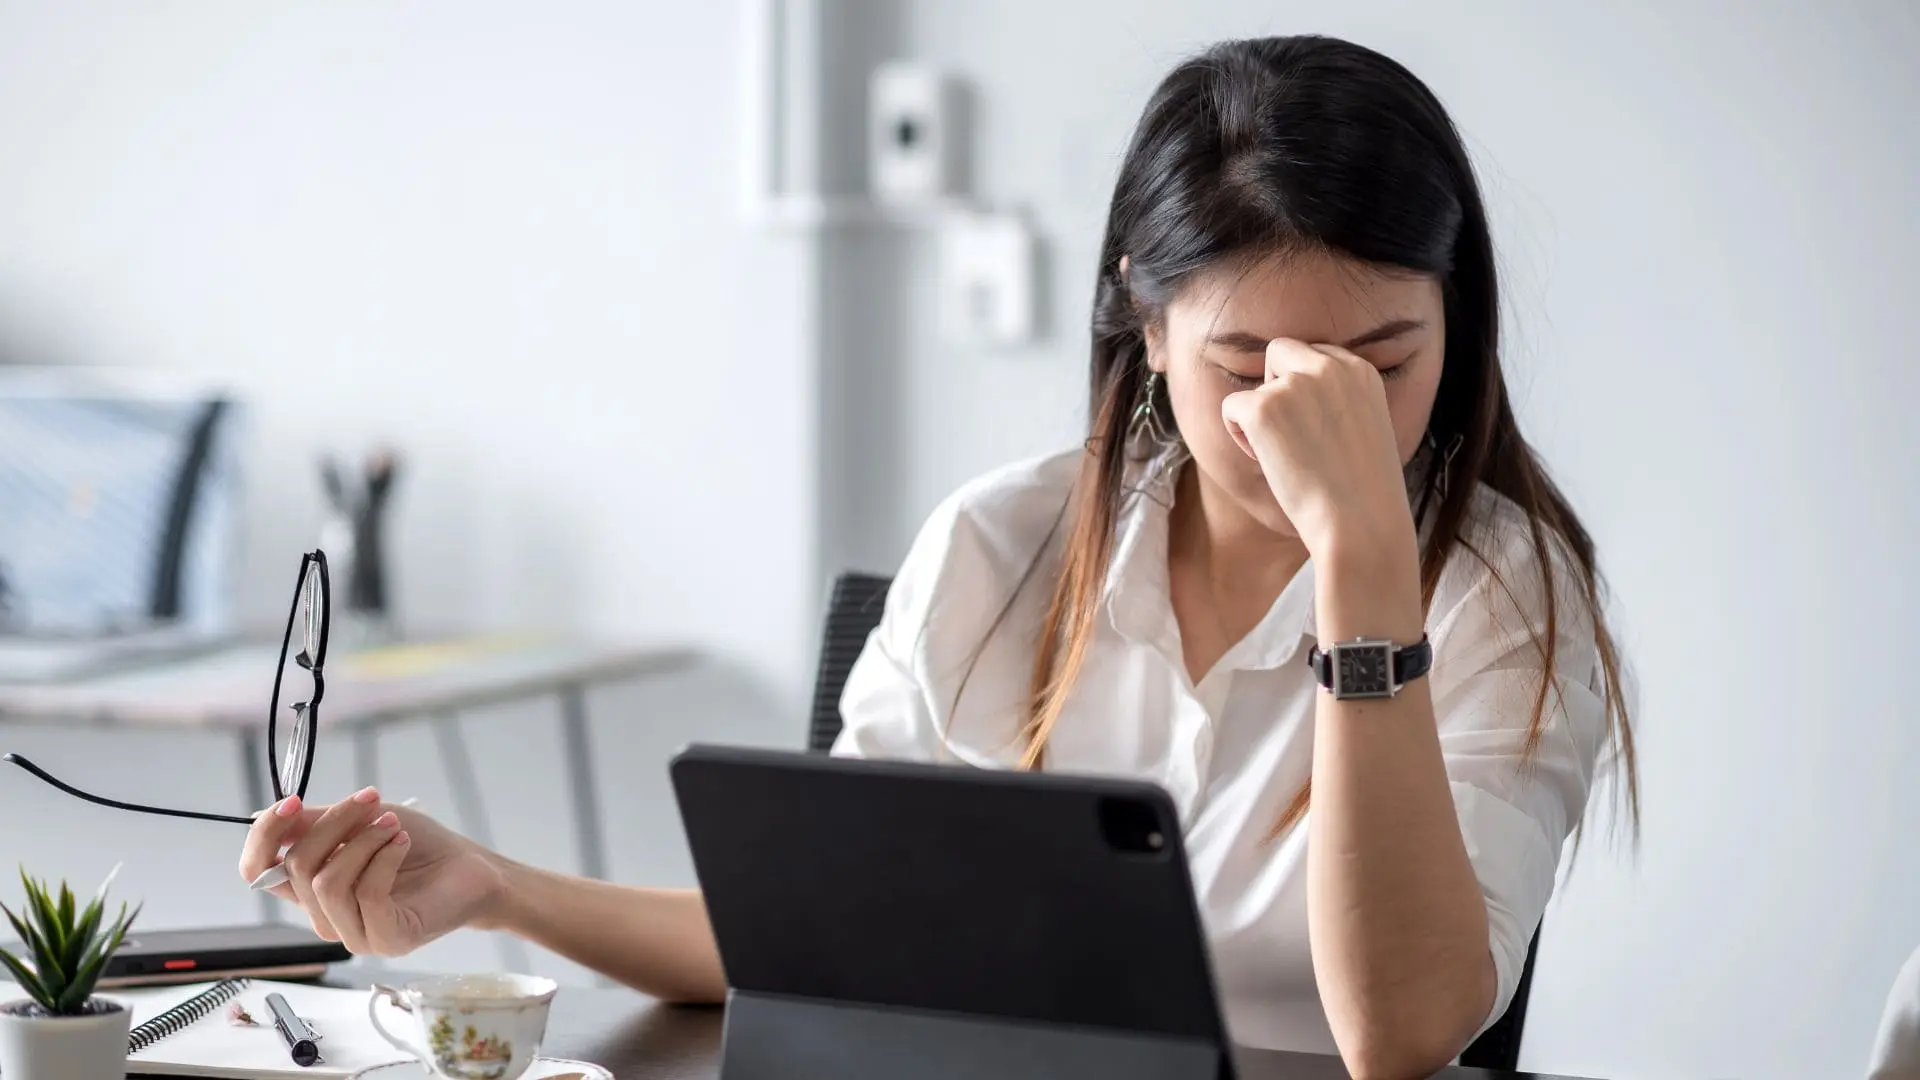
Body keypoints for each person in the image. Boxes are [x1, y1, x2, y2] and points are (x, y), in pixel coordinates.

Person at [239, 34, 1637, 1079]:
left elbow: (1401, 1035)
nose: (1306, 421)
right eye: (1249, 369)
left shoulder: (1510, 598)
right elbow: (818, 938)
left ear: (1457, 335)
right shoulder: (1001, 543)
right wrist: (493, 886)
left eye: (1378, 364)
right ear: (1145, 328)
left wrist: (1365, 573)